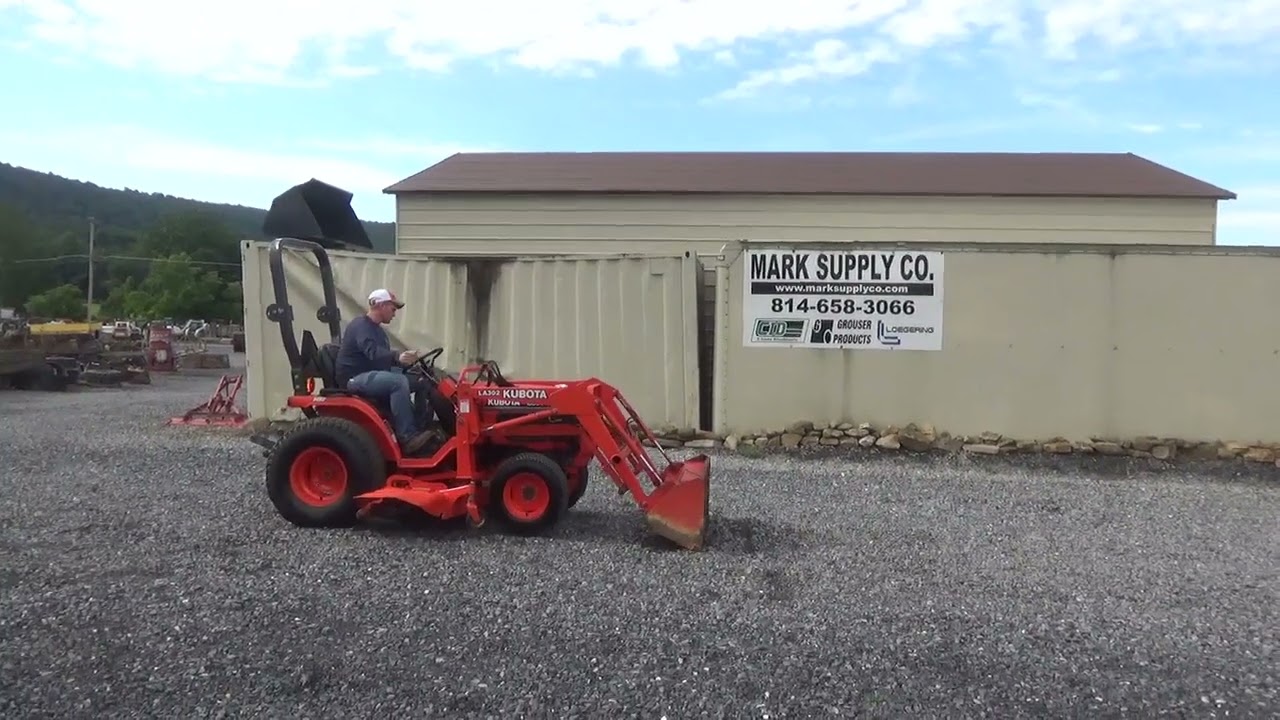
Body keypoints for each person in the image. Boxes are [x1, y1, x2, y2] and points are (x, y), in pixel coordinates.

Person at [335, 288, 442, 455]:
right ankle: (408, 437)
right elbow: (372, 353)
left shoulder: (378, 331)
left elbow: (382, 361)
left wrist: (409, 367)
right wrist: (398, 357)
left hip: (373, 373)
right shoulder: (361, 326)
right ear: (381, 305)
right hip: (355, 378)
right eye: (393, 309)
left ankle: (421, 430)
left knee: (423, 380)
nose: (394, 314)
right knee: (398, 382)